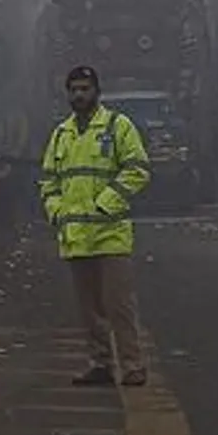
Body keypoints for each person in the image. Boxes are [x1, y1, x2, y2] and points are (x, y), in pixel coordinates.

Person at [39, 66, 151, 387]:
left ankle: (132, 366)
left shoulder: (118, 127)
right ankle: (100, 363)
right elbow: (49, 181)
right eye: (74, 89)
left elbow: (138, 169)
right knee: (90, 311)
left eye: (85, 88)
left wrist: (106, 203)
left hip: (110, 235)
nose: (79, 94)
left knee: (119, 307)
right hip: (76, 238)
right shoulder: (61, 135)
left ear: (97, 92)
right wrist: (56, 211)